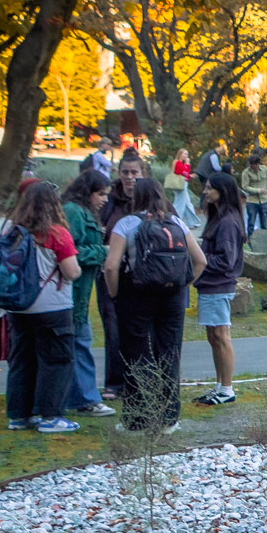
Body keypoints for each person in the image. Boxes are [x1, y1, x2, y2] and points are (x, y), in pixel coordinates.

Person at [103, 178, 202, 434]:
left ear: (137, 196)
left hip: (136, 294)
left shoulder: (127, 224)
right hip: (172, 297)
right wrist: (183, 284)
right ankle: (169, 419)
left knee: (137, 354)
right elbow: (200, 260)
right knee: (170, 353)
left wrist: (114, 293)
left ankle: (137, 419)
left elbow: (112, 265)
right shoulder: (177, 222)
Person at [1, 178, 85, 435]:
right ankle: (51, 416)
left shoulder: (13, 232)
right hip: (52, 307)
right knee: (56, 361)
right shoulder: (57, 234)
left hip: (18, 305)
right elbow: (71, 272)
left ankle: (19, 415)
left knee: (22, 361)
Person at [59, 169, 119, 418]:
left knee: (78, 343)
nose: (105, 199)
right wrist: (105, 251)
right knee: (81, 343)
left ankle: (79, 397)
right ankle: (86, 399)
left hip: (80, 291)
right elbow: (68, 250)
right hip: (72, 291)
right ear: (89, 192)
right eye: (101, 194)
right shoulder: (74, 211)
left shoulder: (82, 211)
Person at [100, 152, 151, 397]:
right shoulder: (109, 200)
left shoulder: (153, 198)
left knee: (145, 328)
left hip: (146, 275)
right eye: (125, 173)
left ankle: (147, 377)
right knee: (113, 326)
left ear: (143, 173)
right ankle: (116, 381)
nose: (130, 178)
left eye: (134, 173)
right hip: (113, 272)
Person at [193, 170, 244, 406]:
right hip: (210, 285)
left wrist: (197, 258)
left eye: (209, 188)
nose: (205, 191)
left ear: (221, 192)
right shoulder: (219, 218)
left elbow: (226, 260)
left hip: (218, 286)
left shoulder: (227, 222)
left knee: (221, 337)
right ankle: (220, 385)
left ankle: (227, 388)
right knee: (214, 337)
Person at [238, 151, 267, 234]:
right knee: (251, 223)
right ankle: (251, 242)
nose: (251, 166)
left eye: (253, 164)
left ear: (257, 164)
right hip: (252, 201)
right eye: (250, 164)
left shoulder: (264, 169)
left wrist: (265, 186)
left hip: (264, 200)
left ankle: (264, 241)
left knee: (264, 223)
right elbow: (245, 187)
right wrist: (259, 190)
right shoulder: (246, 173)